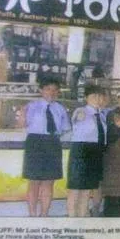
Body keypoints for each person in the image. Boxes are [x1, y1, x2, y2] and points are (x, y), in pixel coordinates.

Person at [22, 77, 71, 217]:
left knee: (49, 182)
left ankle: (44, 214)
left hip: (53, 143)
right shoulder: (32, 106)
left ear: (58, 92)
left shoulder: (60, 108)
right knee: (34, 182)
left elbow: (65, 128)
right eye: (48, 89)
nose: (51, 92)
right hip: (35, 142)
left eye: (55, 90)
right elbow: (22, 124)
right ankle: (32, 215)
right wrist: (22, 113)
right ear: (41, 91)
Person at [66, 86, 108, 218]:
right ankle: (72, 219)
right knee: (75, 189)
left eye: (100, 96)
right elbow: (77, 118)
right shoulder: (81, 111)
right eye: (94, 96)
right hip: (80, 151)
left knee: (86, 190)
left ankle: (82, 218)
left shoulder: (101, 115)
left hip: (95, 152)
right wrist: (79, 116)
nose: (97, 99)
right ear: (86, 98)